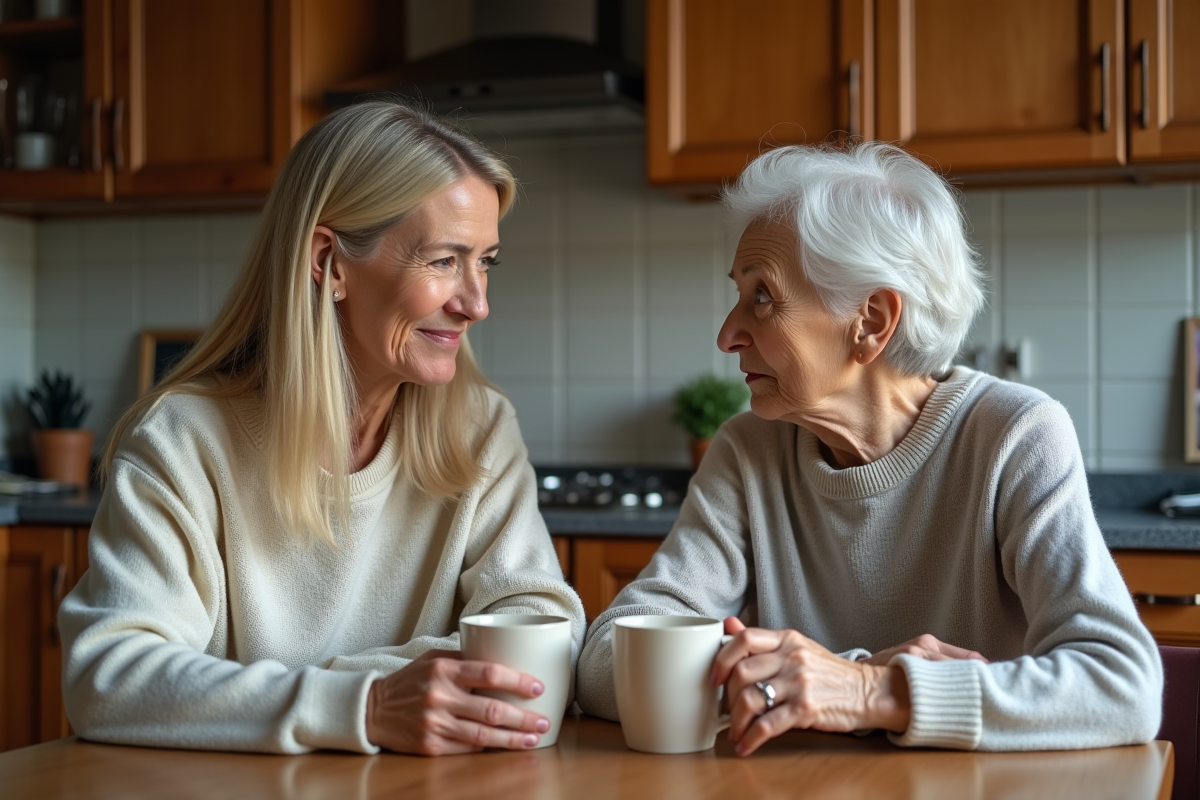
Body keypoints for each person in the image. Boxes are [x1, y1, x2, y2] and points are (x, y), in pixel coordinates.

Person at [576, 142, 1161, 754]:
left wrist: (867, 691)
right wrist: (823, 680)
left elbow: (1124, 687)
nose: (727, 334)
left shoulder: (1015, 436)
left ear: (872, 321)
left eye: (763, 297)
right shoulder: (748, 450)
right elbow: (602, 660)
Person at [60, 101, 585, 756]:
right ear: (329, 263)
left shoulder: (481, 430)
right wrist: (364, 707)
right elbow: (109, 678)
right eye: (445, 261)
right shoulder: (181, 442)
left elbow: (543, 629)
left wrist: (261, 698)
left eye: (486, 261)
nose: (477, 303)